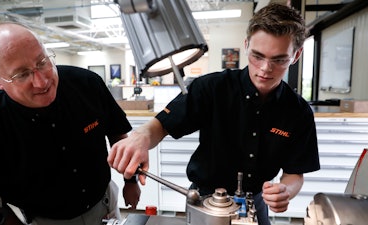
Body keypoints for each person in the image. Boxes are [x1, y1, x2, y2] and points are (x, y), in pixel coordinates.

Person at [108, 3, 320, 225]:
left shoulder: (298, 112)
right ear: (246, 45)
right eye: (257, 56)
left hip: (255, 203)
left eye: (278, 60)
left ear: (296, 55)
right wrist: (141, 137)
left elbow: (295, 173)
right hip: (203, 201)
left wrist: (286, 190)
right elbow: (161, 125)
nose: (265, 68)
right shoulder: (212, 88)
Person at [0, 21, 141, 225]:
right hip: (44, 219)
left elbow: (118, 134)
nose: (42, 82)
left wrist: (131, 181)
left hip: (105, 205)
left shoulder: (87, 84)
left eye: (42, 62)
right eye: (22, 74)